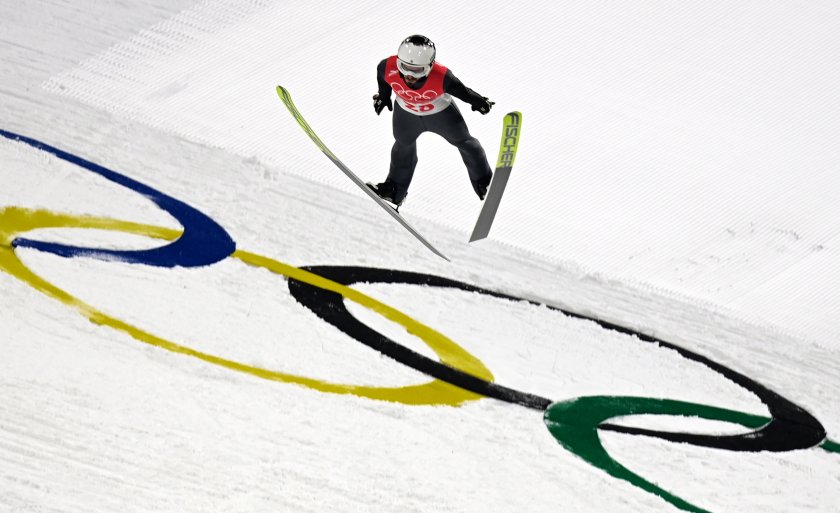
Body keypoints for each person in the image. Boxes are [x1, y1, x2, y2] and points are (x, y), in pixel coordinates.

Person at [368, 35, 495, 208]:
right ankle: (394, 191)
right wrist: (383, 96)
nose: (410, 75)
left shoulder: (442, 76)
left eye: (418, 70)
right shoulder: (386, 67)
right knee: (402, 146)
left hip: (440, 113)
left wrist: (479, 102)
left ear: (430, 66)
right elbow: (382, 78)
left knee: (466, 143)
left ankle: (485, 182)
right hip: (406, 115)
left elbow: (463, 91)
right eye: (405, 67)